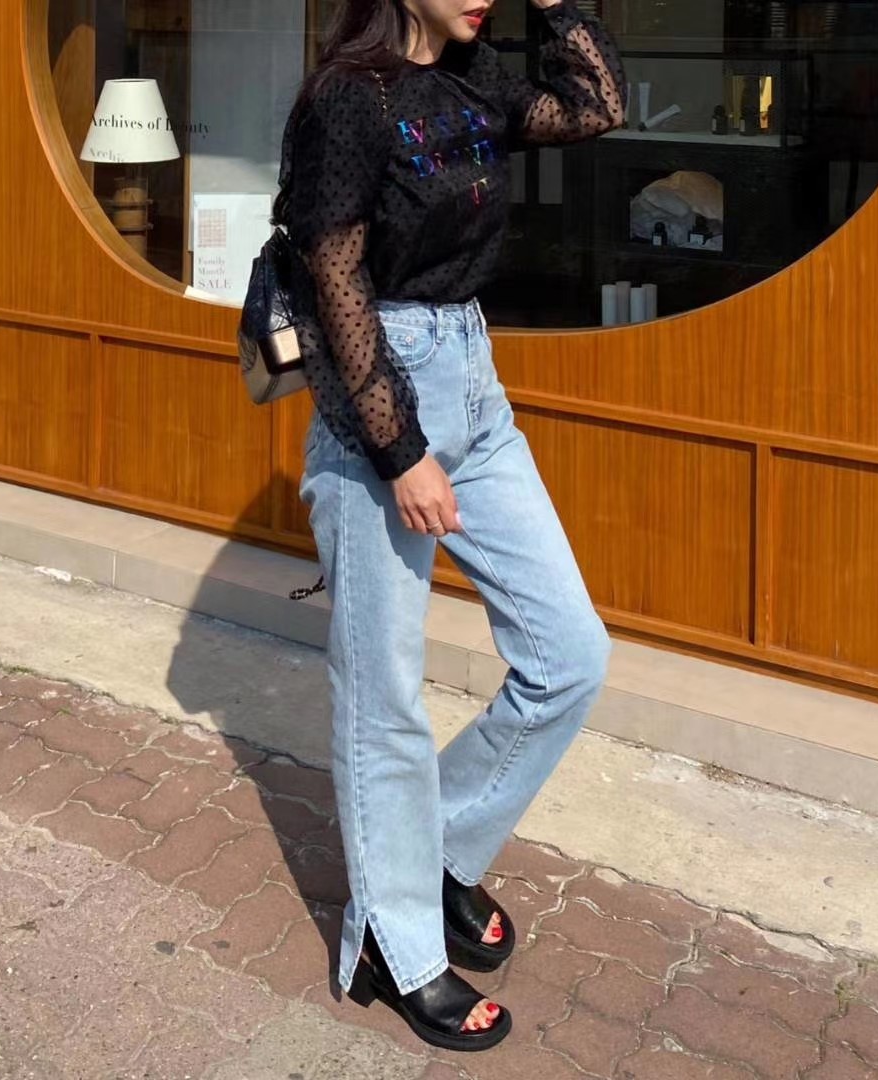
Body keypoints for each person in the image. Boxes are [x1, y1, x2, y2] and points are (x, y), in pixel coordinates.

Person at [274, 0, 625, 1052]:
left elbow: (595, 107)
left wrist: (556, 6)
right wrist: (399, 451)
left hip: (473, 379)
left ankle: (432, 849)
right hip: (382, 396)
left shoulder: (473, 78)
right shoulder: (347, 100)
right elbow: (332, 277)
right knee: (385, 700)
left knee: (569, 654)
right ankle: (395, 944)